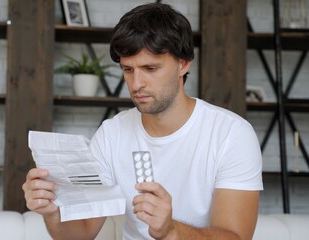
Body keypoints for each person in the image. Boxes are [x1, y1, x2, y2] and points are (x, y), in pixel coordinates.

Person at [23, 3, 263, 240]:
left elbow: (235, 237)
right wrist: (53, 213)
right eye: (128, 70)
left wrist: (171, 231)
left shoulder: (231, 134)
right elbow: (82, 234)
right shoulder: (112, 134)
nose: (136, 84)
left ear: (183, 64)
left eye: (150, 68)